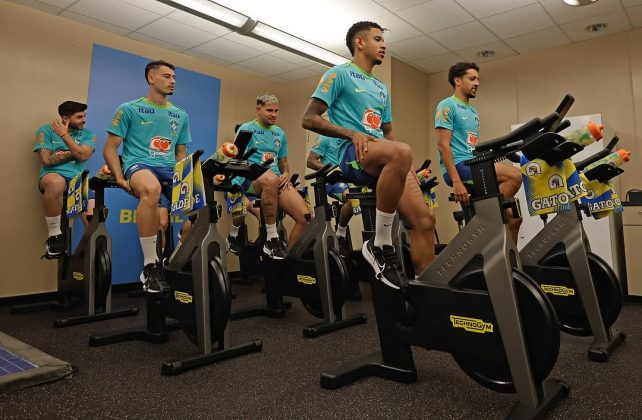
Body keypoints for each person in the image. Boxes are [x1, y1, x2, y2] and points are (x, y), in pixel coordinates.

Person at [302, 21, 436, 289]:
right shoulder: (338, 74)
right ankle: (381, 244)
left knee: (424, 220)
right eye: (377, 39)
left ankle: (425, 289)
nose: (383, 44)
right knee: (401, 151)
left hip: (383, 154)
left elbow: (389, 134)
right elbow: (309, 119)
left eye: (383, 40)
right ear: (359, 43)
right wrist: (351, 134)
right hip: (353, 154)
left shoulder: (381, 88)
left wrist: (407, 167)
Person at [103, 60, 191, 294]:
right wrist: (120, 177)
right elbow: (110, 148)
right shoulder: (129, 108)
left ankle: (177, 255)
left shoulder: (180, 114)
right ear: (151, 79)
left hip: (170, 168)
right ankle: (150, 265)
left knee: (202, 209)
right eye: (167, 76)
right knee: (151, 190)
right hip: (139, 165)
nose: (172, 81)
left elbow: (181, 153)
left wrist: (187, 179)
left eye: (174, 77)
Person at [435, 62, 522, 243]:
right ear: (458, 81)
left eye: (478, 79)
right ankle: (489, 217)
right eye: (472, 78)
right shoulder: (447, 105)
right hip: (460, 167)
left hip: (474, 164)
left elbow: (471, 147)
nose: (477, 83)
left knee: (513, 219)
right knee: (514, 175)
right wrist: (457, 182)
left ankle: (510, 265)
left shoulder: (473, 111)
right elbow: (443, 146)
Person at [231, 93, 309, 258]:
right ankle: (271, 239)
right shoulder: (246, 129)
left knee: (305, 218)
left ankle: (283, 257)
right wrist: (236, 187)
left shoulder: (280, 133)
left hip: (274, 180)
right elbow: (235, 160)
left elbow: (283, 162)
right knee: (270, 179)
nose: (274, 114)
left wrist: (286, 173)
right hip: (252, 179)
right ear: (258, 109)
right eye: (269, 110)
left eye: (276, 111)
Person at [34, 101, 96, 258]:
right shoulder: (45, 131)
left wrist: (64, 137)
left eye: (85, 116)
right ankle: (55, 236)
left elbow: (84, 155)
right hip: (52, 176)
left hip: (78, 181)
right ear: (65, 118)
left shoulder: (88, 134)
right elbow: (47, 161)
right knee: (57, 182)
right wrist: (75, 151)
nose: (84, 120)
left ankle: (81, 254)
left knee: (94, 222)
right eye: (79, 117)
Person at [307, 136, 353, 256]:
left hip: (349, 178)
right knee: (352, 198)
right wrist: (332, 170)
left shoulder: (351, 138)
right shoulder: (325, 138)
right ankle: (340, 236)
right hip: (331, 180)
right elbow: (311, 161)